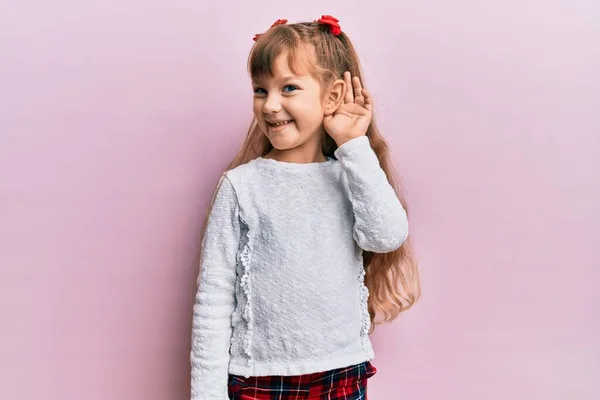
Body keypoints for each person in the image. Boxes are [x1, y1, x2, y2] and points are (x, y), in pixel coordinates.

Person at [190, 15, 420, 400]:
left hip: (341, 371)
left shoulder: (352, 174)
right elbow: (213, 299)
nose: (270, 105)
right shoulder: (241, 186)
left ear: (331, 97)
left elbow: (386, 236)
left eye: (289, 88)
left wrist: (353, 145)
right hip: (259, 378)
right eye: (260, 90)